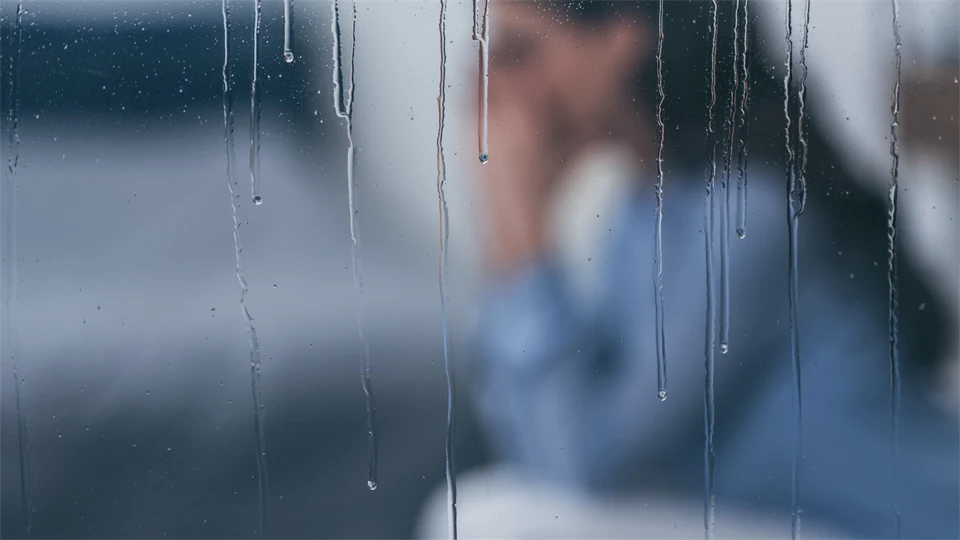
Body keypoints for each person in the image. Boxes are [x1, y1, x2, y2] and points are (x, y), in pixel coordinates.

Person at [420, 0, 960, 538]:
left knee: (490, 521)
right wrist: (514, 235)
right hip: (780, 520)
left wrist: (520, 236)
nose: (491, 87)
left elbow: (587, 458)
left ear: (619, 41)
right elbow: (542, 448)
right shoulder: (642, 214)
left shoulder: (748, 216)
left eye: (518, 52)